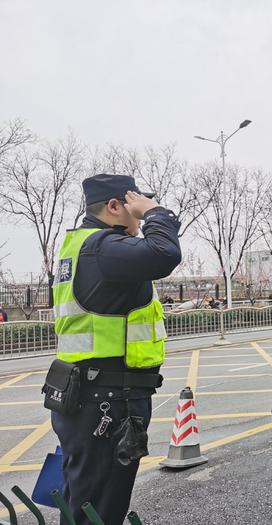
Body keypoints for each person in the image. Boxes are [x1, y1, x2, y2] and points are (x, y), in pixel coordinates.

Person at [47, 174, 181, 525]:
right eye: (133, 205)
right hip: (106, 402)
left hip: (86, 395)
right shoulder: (103, 247)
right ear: (114, 206)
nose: (138, 214)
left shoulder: (78, 246)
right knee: (100, 508)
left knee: (84, 500)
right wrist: (156, 213)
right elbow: (165, 253)